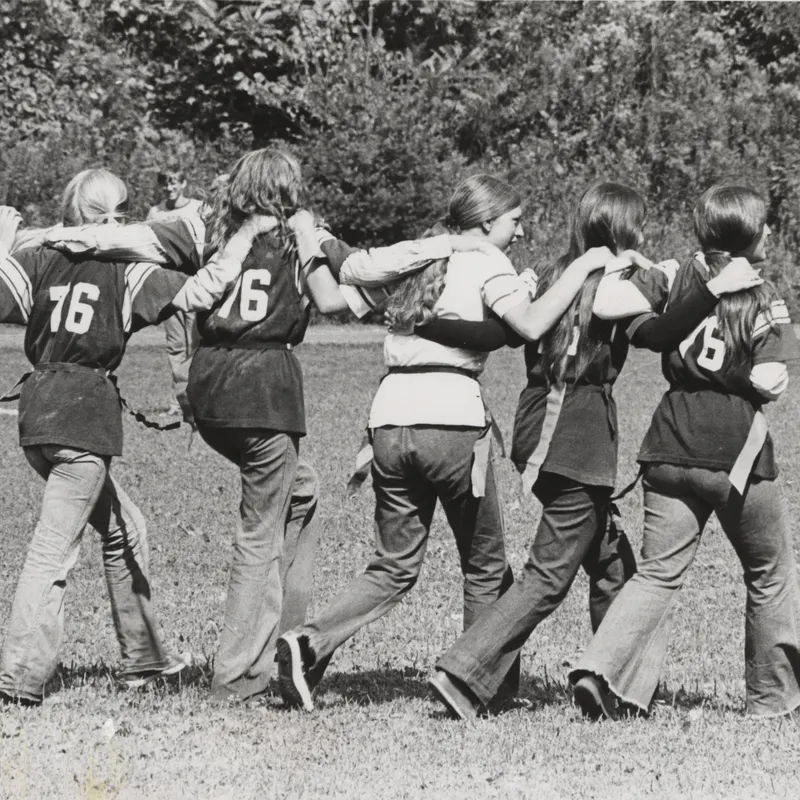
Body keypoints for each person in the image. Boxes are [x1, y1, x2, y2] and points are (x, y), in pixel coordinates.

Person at [275, 174, 624, 713]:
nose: (520, 230)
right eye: (513, 220)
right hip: (454, 420)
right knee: (486, 565)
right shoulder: (488, 261)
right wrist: (581, 266)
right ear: (486, 223)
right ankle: (480, 687)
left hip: (388, 420)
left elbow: (326, 296)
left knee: (392, 565)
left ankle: (309, 641)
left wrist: (308, 240)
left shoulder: (419, 258)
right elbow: (530, 326)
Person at [422, 182, 766, 719]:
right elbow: (656, 332)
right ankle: (463, 674)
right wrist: (704, 285)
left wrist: (670, 278)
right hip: (573, 431)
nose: (646, 234)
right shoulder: (608, 281)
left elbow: (646, 327)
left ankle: (614, 687)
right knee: (548, 576)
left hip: (549, 423)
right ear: (622, 228)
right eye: (640, 225)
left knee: (611, 565)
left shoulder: (565, 270)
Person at [0, 169, 266, 705]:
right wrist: (239, 240)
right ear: (118, 214)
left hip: (39, 414)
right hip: (84, 417)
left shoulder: (36, 259)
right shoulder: (129, 270)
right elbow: (202, 292)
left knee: (127, 530)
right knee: (52, 551)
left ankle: (145, 659)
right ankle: (19, 677)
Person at [569, 184, 800, 720]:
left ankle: (600, 670)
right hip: (735, 447)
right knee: (770, 572)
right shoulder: (766, 294)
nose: (770, 233)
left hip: (669, 439)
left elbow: (603, 300)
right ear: (749, 234)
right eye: (764, 226)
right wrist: (738, 375)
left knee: (657, 573)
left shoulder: (675, 274)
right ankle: (772, 701)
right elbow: (771, 380)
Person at [147, 168, 206, 420]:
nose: (169, 188)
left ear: (184, 183)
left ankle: (197, 399)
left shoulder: (200, 208)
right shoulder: (155, 213)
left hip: (195, 283)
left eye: (173, 183)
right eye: (164, 184)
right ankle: (177, 402)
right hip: (167, 286)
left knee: (197, 343)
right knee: (175, 345)